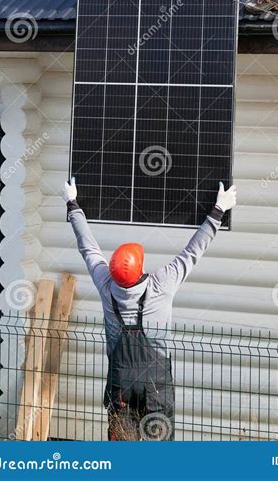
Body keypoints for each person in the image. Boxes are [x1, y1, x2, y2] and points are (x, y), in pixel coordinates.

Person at [61, 177, 236, 441]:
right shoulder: (161, 284)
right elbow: (193, 252)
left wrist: (72, 204)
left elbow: (88, 247)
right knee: (159, 449)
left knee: (122, 445)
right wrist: (218, 210)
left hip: (121, 384)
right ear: (141, 267)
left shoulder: (105, 284)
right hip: (156, 386)